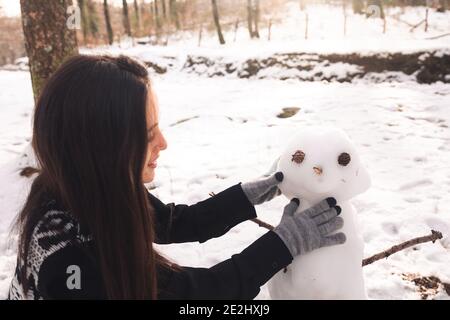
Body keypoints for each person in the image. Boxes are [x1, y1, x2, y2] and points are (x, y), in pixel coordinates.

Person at [8, 55, 346, 300]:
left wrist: (245, 195)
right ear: (103, 147)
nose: (163, 143)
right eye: (147, 134)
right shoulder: (74, 264)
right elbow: (198, 297)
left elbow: (171, 221)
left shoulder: (85, 187)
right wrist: (284, 244)